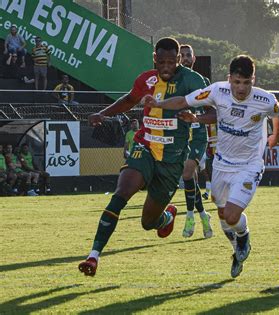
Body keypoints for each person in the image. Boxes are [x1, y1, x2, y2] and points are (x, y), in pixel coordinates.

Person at [143, 54, 279, 278]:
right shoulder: (217, 91)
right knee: (221, 213)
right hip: (222, 163)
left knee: (230, 215)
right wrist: (159, 103)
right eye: (237, 82)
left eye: (246, 83)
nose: (241, 88)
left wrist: (275, 135)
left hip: (249, 165)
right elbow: (183, 101)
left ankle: (244, 237)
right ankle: (238, 250)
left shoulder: (265, 100)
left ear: (253, 80)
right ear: (229, 79)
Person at [78, 37, 209, 277]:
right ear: (155, 60)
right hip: (144, 146)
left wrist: (197, 118)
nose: (166, 67)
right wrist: (102, 113)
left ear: (179, 60)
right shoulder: (146, 79)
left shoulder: (193, 80)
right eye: (162, 62)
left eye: (171, 61)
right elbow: (129, 100)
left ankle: (167, 216)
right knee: (121, 193)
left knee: (148, 222)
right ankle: (93, 256)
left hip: (172, 160)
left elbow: (211, 109)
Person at [179, 44, 213, 239]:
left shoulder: (204, 82)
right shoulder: (174, 82)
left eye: (187, 55)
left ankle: (190, 216)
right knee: (189, 178)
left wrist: (197, 117)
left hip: (198, 135)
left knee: (187, 172)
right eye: (181, 55)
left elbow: (211, 111)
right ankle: (203, 215)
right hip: (180, 135)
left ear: (194, 59)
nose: (184, 58)